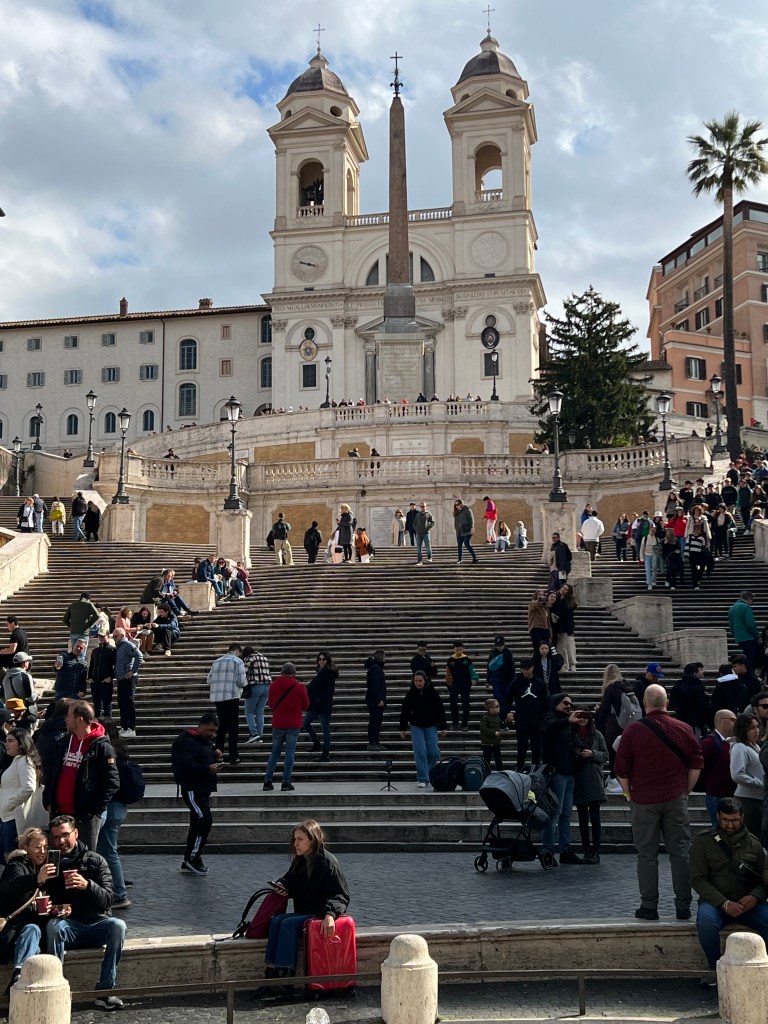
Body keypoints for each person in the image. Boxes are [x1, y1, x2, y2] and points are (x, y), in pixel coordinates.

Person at [614, 683, 703, 920]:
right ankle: (683, 905)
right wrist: (685, 791)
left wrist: (628, 794)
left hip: (643, 799)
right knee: (680, 853)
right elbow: (696, 764)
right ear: (667, 703)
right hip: (675, 798)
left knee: (646, 854)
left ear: (645, 704)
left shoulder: (633, 730)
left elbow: (621, 769)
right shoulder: (683, 728)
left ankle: (649, 906)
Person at [256, 820, 350, 998]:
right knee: (276, 921)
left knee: (288, 924)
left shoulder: (328, 863)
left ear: (312, 840)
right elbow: (289, 879)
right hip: (306, 911)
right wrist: (282, 885)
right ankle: (271, 975)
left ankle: (285, 980)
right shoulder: (300, 860)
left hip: (320, 913)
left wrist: (330, 914)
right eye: (294, 839)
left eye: (300, 839)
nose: (295, 844)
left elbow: (340, 894)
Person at [45, 814, 127, 1009]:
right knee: (53, 927)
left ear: (75, 833)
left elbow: (109, 898)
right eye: (56, 837)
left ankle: (105, 991)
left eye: (65, 835)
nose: (61, 841)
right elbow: (45, 900)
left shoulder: (95, 860)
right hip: (69, 926)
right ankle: (55, 988)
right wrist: (55, 908)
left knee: (118, 926)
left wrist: (88, 885)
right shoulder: (50, 863)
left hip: (96, 924)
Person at [690, 797, 768, 981]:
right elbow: (698, 879)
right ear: (718, 816)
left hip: (748, 904)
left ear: (742, 817)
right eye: (725, 820)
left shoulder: (754, 844)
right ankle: (715, 968)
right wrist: (724, 903)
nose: (730, 825)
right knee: (706, 922)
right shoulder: (703, 841)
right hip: (715, 903)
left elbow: (764, 880)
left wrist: (755, 897)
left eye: (735, 820)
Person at [42, 700, 120, 851]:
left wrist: (93, 810)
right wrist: (48, 799)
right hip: (59, 814)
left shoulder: (101, 746)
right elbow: (51, 773)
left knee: (85, 858)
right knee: (58, 857)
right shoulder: (64, 741)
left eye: (69, 716)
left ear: (80, 719)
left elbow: (112, 782)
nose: (65, 719)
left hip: (85, 818)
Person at [0, 827, 54, 995]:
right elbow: (10, 885)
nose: (42, 851)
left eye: (45, 847)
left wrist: (52, 910)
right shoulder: (16, 866)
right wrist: (36, 879)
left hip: (28, 934)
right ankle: (20, 977)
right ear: (26, 848)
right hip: (10, 933)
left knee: (33, 930)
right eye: (37, 847)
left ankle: (18, 975)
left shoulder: (44, 869)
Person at [171, 711, 222, 875]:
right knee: (204, 820)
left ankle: (191, 857)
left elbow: (200, 758)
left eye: (214, 732)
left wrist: (214, 756)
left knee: (197, 822)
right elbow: (186, 765)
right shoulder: (186, 741)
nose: (212, 734)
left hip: (203, 788)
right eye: (210, 730)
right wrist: (207, 768)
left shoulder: (204, 742)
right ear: (201, 725)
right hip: (192, 788)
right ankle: (193, 857)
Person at [541, 693, 589, 864]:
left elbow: (573, 742)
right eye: (565, 703)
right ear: (555, 703)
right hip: (557, 773)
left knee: (566, 814)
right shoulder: (549, 718)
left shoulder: (566, 723)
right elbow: (551, 728)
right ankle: (548, 850)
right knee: (554, 813)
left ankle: (565, 849)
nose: (569, 706)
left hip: (569, 773)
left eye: (570, 704)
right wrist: (568, 721)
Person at [95, 717, 133, 909]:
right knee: (110, 849)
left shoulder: (107, 751)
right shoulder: (120, 749)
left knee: (109, 851)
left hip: (111, 805)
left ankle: (119, 893)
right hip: (119, 805)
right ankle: (115, 888)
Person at [0, 730, 46, 862]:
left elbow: (29, 787)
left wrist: (9, 804)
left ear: (21, 744)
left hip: (14, 818)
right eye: (6, 741)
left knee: (10, 858)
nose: (6, 744)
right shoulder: (16, 761)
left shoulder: (24, 761)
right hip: (7, 817)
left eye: (11, 741)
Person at [263, 662, 309, 792]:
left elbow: (271, 704)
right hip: (293, 724)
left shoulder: (273, 685)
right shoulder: (299, 686)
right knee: (290, 752)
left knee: (275, 752)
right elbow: (306, 705)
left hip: (278, 722)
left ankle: (267, 781)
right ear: (294, 673)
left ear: (281, 672)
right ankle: (286, 782)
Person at [399, 670, 447, 787]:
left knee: (433, 752)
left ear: (425, 681)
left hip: (431, 725)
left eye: (420, 681)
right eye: (416, 681)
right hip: (416, 726)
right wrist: (403, 728)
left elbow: (440, 709)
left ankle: (429, 772)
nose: (418, 683)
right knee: (420, 752)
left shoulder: (432, 693)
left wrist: (443, 726)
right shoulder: (410, 694)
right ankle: (423, 779)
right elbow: (404, 711)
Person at [572, 711, 608, 863]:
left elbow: (606, 755)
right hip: (578, 777)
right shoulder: (571, 734)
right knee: (582, 817)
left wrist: (593, 753)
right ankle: (586, 848)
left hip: (593, 778)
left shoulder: (597, 735)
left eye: (585, 717)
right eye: (579, 717)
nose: (582, 720)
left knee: (595, 817)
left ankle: (596, 849)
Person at [207, 643, 246, 765]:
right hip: (231, 696)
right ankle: (234, 756)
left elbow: (209, 680)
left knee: (222, 725)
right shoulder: (238, 661)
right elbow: (241, 681)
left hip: (218, 697)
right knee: (233, 727)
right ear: (238, 651)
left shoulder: (216, 661)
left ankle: (219, 754)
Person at [729, 712, 764, 837]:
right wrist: (758, 783)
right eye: (751, 728)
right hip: (748, 799)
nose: (756, 731)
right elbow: (737, 774)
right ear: (743, 730)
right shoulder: (740, 747)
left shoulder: (755, 746)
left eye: (757, 727)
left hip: (759, 797)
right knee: (752, 834)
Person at [509, 658, 548, 770]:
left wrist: (544, 716)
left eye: (528, 668)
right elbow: (508, 698)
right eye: (524, 669)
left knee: (536, 747)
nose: (526, 671)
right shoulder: (516, 683)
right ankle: (519, 768)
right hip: (521, 719)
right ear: (521, 669)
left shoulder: (540, 683)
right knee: (522, 746)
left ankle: (536, 770)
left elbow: (545, 701)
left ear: (533, 668)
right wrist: (508, 712)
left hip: (537, 719)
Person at [700, 710, 737, 826]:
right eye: (732, 720)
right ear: (721, 721)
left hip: (732, 794)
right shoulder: (709, 742)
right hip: (717, 796)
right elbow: (697, 765)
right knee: (720, 829)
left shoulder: (730, 742)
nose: (736, 723)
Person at [304, 651, 338, 763]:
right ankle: (316, 743)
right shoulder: (320, 671)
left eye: (323, 659)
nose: (321, 661)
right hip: (315, 705)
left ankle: (325, 753)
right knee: (305, 723)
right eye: (319, 659)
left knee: (325, 729)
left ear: (327, 660)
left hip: (323, 705)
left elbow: (330, 690)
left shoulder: (329, 672)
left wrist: (319, 698)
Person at [113, 628, 143, 739]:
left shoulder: (127, 645)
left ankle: (131, 728)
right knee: (122, 703)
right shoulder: (120, 646)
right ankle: (124, 727)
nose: (114, 638)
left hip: (128, 679)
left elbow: (139, 656)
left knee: (128, 703)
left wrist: (132, 671)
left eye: (115, 636)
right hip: (121, 679)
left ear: (122, 635)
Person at [668, 663, 710, 738]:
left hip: (682, 719)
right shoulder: (697, 686)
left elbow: (672, 703)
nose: (702, 672)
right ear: (695, 673)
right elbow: (702, 705)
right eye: (700, 670)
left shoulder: (679, 685)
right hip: (696, 721)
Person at [241, 643, 272, 745]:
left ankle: (254, 734)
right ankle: (260, 734)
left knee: (249, 711)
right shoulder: (264, 658)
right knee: (260, 712)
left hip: (255, 686)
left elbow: (243, 671)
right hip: (267, 686)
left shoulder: (250, 658)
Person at [445, 641, 477, 732]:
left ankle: (464, 724)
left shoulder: (467, 659)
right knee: (453, 701)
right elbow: (448, 673)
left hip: (465, 684)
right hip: (454, 684)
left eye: (460, 649)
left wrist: (474, 678)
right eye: (457, 649)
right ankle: (455, 723)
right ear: (454, 649)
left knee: (466, 703)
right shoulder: (450, 660)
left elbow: (472, 670)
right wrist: (448, 682)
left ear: (463, 649)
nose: (458, 651)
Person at [729, 591, 760, 672]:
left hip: (739, 637)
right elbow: (750, 624)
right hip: (749, 637)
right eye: (752, 601)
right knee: (751, 659)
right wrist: (757, 635)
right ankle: (750, 674)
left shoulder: (733, 608)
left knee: (747, 657)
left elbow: (731, 624)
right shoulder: (746, 607)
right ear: (749, 599)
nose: (751, 603)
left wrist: (734, 634)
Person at [478, 697, 512, 771]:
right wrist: (494, 732)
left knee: (498, 759)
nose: (499, 708)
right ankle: (485, 772)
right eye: (497, 706)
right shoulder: (485, 718)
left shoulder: (497, 717)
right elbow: (483, 729)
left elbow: (502, 725)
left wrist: (509, 721)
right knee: (487, 759)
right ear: (490, 708)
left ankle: (500, 772)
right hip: (487, 743)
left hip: (496, 742)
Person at [87, 633, 116, 719]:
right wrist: (90, 678)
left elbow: (116, 665)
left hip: (106, 681)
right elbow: (91, 665)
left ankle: (108, 724)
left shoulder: (113, 650)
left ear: (108, 636)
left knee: (107, 704)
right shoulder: (95, 651)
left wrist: (111, 677)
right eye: (99, 636)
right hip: (95, 681)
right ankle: (97, 724)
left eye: (103, 636)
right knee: (96, 705)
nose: (101, 638)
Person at [486, 635, 515, 715]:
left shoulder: (508, 652)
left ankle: (506, 716)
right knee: (498, 699)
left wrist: (513, 680)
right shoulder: (493, 653)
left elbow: (512, 667)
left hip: (507, 680)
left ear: (504, 644)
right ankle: (500, 717)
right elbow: (489, 667)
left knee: (507, 699)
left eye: (501, 645)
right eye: (498, 645)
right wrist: (488, 680)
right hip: (496, 680)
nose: (500, 647)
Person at [364, 650, 387, 750]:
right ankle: (372, 742)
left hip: (376, 699)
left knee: (377, 721)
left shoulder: (376, 668)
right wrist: (379, 699)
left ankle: (376, 742)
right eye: (384, 657)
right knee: (374, 720)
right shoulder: (375, 669)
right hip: (375, 700)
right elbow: (374, 686)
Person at [453, 499, 478, 564]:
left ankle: (474, 557)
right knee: (459, 546)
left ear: (461, 504)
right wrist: (456, 528)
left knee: (467, 543)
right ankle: (459, 559)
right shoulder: (457, 512)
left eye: (458, 504)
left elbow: (471, 518)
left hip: (466, 530)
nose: (457, 506)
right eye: (455, 505)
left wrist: (472, 527)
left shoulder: (467, 509)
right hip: (459, 531)